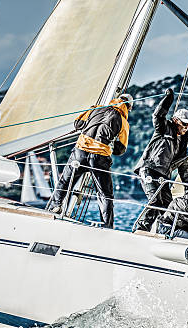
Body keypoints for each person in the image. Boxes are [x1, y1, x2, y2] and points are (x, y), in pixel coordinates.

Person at [48, 94, 133, 228]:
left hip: (80, 152)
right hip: (99, 158)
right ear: (129, 107)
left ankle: (55, 206)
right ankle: (107, 225)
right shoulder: (123, 121)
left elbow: (78, 124)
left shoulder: (96, 108)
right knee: (105, 194)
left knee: (65, 180)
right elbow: (121, 149)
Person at [134, 88, 188, 232]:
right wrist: (169, 98)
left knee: (170, 207)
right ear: (175, 120)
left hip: (164, 177)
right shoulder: (164, 128)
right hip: (149, 170)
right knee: (155, 201)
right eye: (184, 124)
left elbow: (184, 169)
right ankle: (140, 230)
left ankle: (165, 233)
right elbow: (158, 115)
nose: (186, 127)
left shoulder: (185, 143)